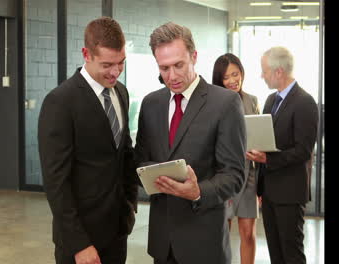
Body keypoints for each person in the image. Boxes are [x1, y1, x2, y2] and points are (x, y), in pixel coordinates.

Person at [134, 22, 246, 264]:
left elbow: (234, 175)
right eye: (164, 68)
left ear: (194, 57)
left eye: (178, 65)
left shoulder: (225, 103)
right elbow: (140, 160)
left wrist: (198, 192)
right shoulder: (151, 104)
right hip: (163, 243)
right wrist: (151, 173)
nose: (172, 76)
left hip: (204, 243)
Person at [38, 17, 138, 264]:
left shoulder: (121, 93)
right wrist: (79, 243)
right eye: (107, 64)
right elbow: (56, 182)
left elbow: (124, 153)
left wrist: (130, 204)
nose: (115, 72)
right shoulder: (60, 102)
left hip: (117, 229)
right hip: (81, 239)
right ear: (86, 54)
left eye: (121, 63)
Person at [247, 46, 318, 264]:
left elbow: (303, 151)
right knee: (275, 252)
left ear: (278, 72)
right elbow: (268, 140)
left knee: (291, 253)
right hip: (269, 190)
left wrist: (268, 159)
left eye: (264, 71)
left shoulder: (305, 102)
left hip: (289, 192)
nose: (262, 75)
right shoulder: (270, 100)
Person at [212, 53, 260, 264]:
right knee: (223, 231)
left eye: (236, 74)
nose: (233, 80)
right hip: (224, 175)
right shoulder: (214, 103)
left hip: (249, 175)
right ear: (219, 80)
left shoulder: (252, 101)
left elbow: (259, 134)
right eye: (226, 77)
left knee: (248, 233)